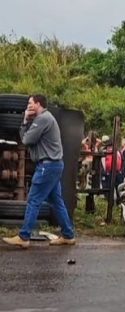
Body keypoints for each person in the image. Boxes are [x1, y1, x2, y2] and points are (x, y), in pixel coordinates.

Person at [2, 95, 75, 248]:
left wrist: (25, 120)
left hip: (47, 166)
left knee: (33, 200)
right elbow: (26, 137)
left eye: (30, 103)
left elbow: (27, 140)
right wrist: (26, 122)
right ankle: (68, 235)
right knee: (56, 201)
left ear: (38, 104)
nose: (27, 106)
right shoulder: (42, 119)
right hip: (53, 165)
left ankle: (24, 236)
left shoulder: (43, 119)